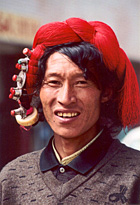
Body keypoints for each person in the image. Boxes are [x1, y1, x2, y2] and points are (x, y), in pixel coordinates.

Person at [0, 17, 140, 204]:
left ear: (105, 92)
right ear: (38, 91)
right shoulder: (12, 178)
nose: (65, 98)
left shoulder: (135, 174)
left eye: (81, 82)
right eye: (53, 82)